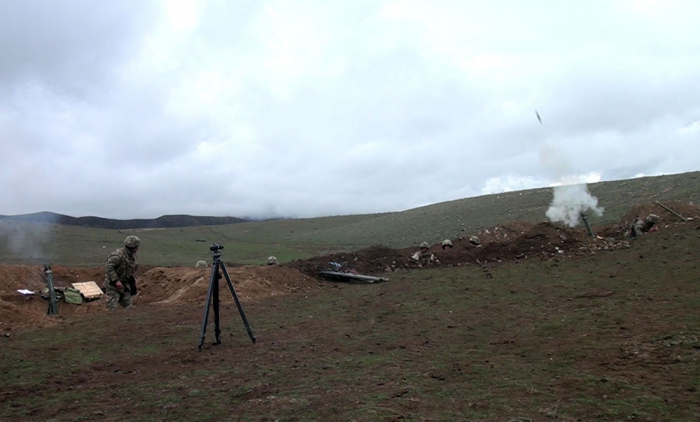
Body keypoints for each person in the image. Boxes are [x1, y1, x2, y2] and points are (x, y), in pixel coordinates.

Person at [104, 235, 140, 310]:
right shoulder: (118, 256)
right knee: (112, 308)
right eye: (137, 246)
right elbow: (109, 267)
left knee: (129, 307)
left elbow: (131, 269)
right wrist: (116, 280)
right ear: (133, 247)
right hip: (113, 286)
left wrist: (133, 280)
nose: (138, 248)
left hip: (124, 285)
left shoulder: (132, 257)